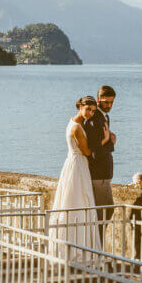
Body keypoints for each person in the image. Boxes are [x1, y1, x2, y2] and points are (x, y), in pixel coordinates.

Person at [48, 95, 103, 257]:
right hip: (78, 164)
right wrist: (105, 140)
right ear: (80, 107)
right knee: (79, 201)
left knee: (71, 202)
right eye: (88, 109)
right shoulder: (77, 128)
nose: (90, 113)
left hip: (73, 163)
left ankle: (73, 245)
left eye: (93, 111)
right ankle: (78, 249)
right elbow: (86, 151)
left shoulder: (73, 122)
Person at [84, 85, 117, 222]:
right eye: (106, 102)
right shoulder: (94, 120)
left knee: (106, 213)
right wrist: (109, 141)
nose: (109, 105)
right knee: (103, 215)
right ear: (98, 99)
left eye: (111, 102)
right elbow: (94, 151)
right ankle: (97, 243)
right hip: (98, 175)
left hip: (103, 176)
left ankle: (97, 243)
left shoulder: (103, 117)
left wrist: (109, 141)